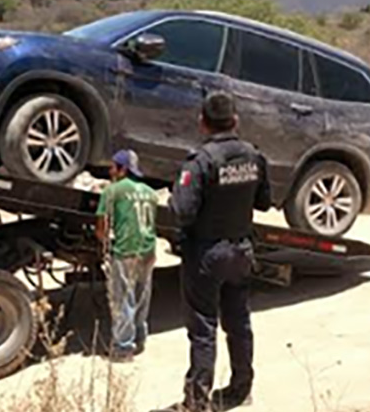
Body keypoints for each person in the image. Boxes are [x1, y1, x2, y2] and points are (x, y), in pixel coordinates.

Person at [165, 91, 272, 412]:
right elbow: (264, 202)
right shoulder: (255, 157)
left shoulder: (200, 161)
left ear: (203, 123)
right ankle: (241, 389)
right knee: (239, 323)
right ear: (235, 121)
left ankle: (197, 401)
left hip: (207, 254)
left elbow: (182, 211)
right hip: (241, 251)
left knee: (203, 328)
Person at [96, 149, 159, 362]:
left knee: (123, 298)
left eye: (113, 166)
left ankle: (123, 348)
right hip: (148, 249)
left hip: (125, 249)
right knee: (142, 296)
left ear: (123, 169)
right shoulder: (150, 193)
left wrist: (104, 242)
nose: (110, 170)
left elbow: (102, 224)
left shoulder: (112, 191)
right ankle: (140, 338)